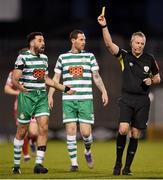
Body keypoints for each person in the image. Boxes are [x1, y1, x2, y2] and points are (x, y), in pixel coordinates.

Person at [97, 15, 161, 175]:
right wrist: (104, 26)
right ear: (131, 42)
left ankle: (127, 168)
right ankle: (118, 164)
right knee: (123, 129)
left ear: (143, 45)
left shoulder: (149, 59)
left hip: (142, 101)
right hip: (127, 99)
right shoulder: (125, 56)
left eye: (142, 44)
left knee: (135, 133)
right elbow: (109, 44)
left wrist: (151, 81)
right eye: (137, 42)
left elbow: (158, 77)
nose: (139, 46)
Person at [11, 32, 75, 174]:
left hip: (41, 97)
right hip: (27, 97)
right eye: (40, 40)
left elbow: (46, 79)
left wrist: (65, 88)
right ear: (32, 43)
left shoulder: (44, 58)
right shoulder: (23, 57)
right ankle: (16, 165)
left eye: (44, 40)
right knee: (22, 131)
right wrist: (21, 88)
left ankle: (38, 164)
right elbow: (15, 78)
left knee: (44, 128)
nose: (43, 43)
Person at [48, 29, 108, 171]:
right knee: (71, 130)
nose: (84, 42)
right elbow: (55, 79)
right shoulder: (62, 57)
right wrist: (50, 95)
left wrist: (104, 91)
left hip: (85, 99)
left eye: (85, 39)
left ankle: (87, 151)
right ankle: (74, 163)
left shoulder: (90, 56)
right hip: (69, 99)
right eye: (81, 39)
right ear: (73, 40)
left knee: (86, 133)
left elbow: (96, 76)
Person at [4, 70, 38, 162]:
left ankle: (33, 142)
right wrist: (18, 93)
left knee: (34, 133)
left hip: (34, 106)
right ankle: (26, 155)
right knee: (23, 132)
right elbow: (7, 88)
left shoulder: (34, 69)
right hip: (20, 106)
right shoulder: (13, 73)